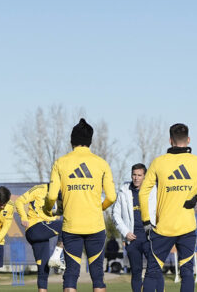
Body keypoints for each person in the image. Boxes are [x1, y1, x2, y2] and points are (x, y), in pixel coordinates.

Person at [140, 123, 197, 292]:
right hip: (187, 228)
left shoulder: (159, 162)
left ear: (170, 140)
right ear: (188, 140)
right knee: (187, 272)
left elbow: (143, 193)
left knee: (152, 272)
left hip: (163, 228)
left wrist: (146, 221)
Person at [45, 118, 116, 292]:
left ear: (71, 141)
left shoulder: (60, 163)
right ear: (90, 141)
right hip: (95, 226)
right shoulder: (101, 163)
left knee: (70, 274)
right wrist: (100, 207)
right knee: (97, 275)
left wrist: (48, 208)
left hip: (71, 227)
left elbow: (52, 195)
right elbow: (112, 197)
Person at [112, 163, 156, 291]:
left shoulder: (153, 189)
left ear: (145, 176)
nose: (136, 178)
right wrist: (125, 232)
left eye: (139, 175)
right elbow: (115, 214)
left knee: (154, 270)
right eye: (134, 175)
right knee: (136, 272)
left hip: (150, 238)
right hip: (132, 239)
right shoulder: (124, 190)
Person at [15, 183, 64, 292]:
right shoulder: (39, 189)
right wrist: (23, 217)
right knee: (64, 225)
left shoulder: (62, 194)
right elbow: (19, 201)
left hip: (43, 233)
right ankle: (57, 257)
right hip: (34, 228)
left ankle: (57, 257)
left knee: (43, 269)